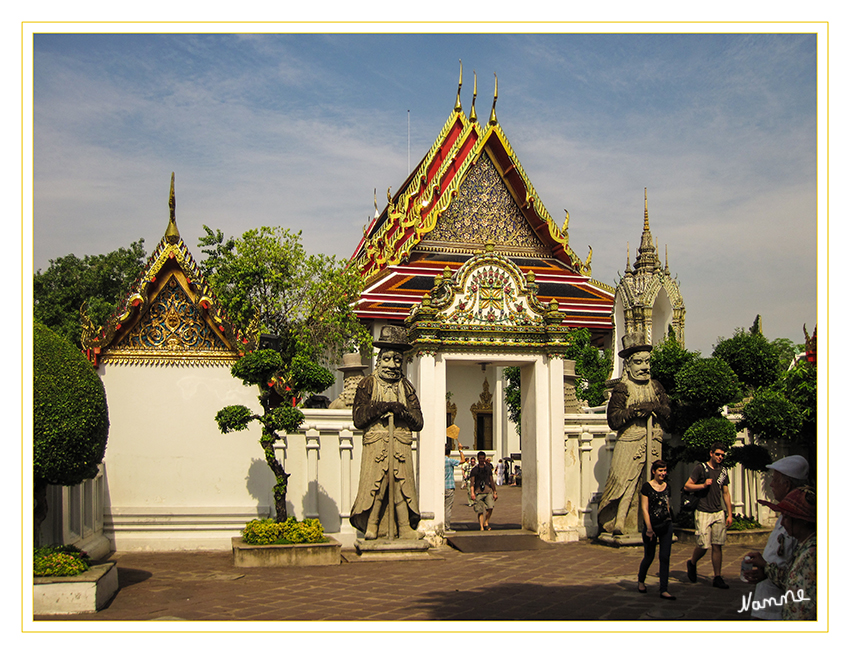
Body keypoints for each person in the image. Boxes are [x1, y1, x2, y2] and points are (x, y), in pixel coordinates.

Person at [349, 326, 424, 540]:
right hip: (377, 441)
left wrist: (404, 413)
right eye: (388, 359)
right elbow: (358, 418)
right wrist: (381, 407)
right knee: (378, 484)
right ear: (379, 360)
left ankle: (405, 528)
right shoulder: (368, 384)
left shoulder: (406, 387)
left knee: (402, 485)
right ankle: (372, 525)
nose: (393, 365)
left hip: (400, 441)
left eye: (398, 360)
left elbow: (419, 421)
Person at [598, 332, 670, 536]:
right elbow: (614, 419)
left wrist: (654, 406)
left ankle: (652, 522)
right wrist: (636, 411)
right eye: (638, 362)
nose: (644, 367)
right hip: (630, 440)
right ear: (628, 365)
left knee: (653, 482)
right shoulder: (623, 388)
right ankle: (619, 521)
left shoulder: (655, 387)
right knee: (625, 483)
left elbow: (668, 412)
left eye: (647, 362)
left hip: (652, 438)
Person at [742, 455, 809, 619]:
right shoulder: (784, 516)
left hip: (781, 609)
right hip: (768, 602)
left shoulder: (801, 526)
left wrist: (766, 568)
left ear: (787, 485)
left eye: (775, 480)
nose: (770, 484)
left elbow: (797, 575)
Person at [746, 486, 816, 620]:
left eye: (787, 518)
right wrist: (766, 568)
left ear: (801, 521)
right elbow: (791, 580)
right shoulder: (803, 546)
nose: (783, 523)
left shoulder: (812, 554)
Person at [684, 442, 733, 588]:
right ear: (711, 453)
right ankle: (692, 562)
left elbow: (726, 493)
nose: (720, 457)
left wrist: (729, 514)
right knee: (703, 545)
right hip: (703, 510)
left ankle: (717, 576)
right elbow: (687, 485)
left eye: (722, 455)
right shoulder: (701, 468)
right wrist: (703, 485)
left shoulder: (723, 471)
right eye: (717, 454)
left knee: (717, 545)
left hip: (718, 511)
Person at [637, 460, 675, 600]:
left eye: (664, 471)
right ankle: (641, 580)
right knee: (649, 556)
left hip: (666, 524)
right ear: (654, 471)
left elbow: (667, 505)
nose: (663, 473)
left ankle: (664, 588)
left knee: (665, 557)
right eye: (660, 471)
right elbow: (644, 509)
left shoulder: (667, 487)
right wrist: (649, 528)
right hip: (651, 525)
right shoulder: (647, 487)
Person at [444, 426, 466, 534]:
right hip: (449, 486)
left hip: (441, 486)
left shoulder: (439, 460)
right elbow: (463, 460)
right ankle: (446, 527)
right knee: (447, 508)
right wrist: (460, 450)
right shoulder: (449, 461)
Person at [469, 451, 498, 530]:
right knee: (480, 510)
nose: (481, 460)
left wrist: (494, 492)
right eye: (480, 458)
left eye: (483, 458)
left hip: (488, 491)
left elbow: (491, 481)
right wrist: (472, 493)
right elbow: (472, 483)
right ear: (478, 459)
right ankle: (481, 526)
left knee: (490, 507)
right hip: (478, 492)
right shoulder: (474, 470)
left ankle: (486, 522)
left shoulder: (488, 469)